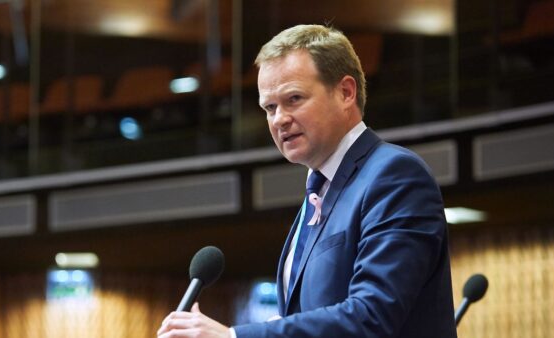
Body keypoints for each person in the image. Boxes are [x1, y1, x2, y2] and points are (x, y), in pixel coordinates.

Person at [157, 24, 457, 337]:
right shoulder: (320, 189)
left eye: (294, 99)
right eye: (270, 107)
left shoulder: (394, 175)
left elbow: (373, 315)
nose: (279, 119)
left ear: (345, 92)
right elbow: (309, 317)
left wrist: (233, 337)